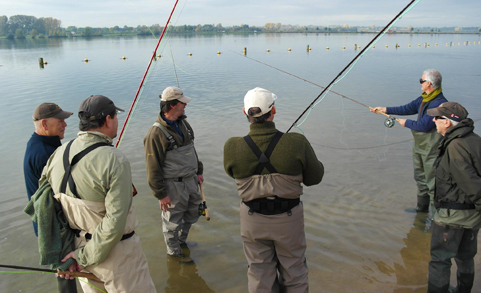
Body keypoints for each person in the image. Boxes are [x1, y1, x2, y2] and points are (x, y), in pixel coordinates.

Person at [39, 95, 156, 292]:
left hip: (77, 251)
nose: (116, 121)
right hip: (119, 258)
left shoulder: (57, 154)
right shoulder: (115, 159)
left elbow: (46, 208)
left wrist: (70, 256)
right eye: (115, 117)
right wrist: (85, 256)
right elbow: (114, 223)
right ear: (108, 120)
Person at [223, 87, 324, 292]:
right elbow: (315, 178)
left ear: (245, 112)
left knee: (259, 272)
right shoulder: (296, 142)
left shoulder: (232, 146)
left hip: (252, 219)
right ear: (274, 110)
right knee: (295, 270)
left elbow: (231, 172)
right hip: (289, 219)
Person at [371, 69, 448, 212]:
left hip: (432, 149)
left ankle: (436, 217)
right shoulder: (424, 98)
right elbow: (408, 108)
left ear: (429, 83)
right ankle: (421, 210)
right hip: (420, 146)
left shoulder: (439, 104)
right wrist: (385, 109)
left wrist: (406, 123)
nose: (420, 83)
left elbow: (425, 125)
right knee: (420, 178)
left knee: (433, 184)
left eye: (421, 81)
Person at [144, 86, 204, 264]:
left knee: (193, 212)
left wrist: (199, 171)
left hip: (191, 180)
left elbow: (192, 150)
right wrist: (161, 194)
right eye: (182, 103)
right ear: (171, 105)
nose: (185, 105)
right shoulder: (155, 134)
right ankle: (174, 252)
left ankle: (181, 241)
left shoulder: (183, 123)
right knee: (172, 222)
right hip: (173, 185)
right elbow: (152, 168)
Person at [425, 102, 481, 293]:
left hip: (452, 217)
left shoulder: (455, 146)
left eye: (437, 118)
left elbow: (471, 183)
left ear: (447, 123)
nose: (433, 120)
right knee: (466, 257)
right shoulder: (474, 139)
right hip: (472, 216)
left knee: (439, 260)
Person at [23, 102, 77, 293]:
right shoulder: (44, 153)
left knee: (67, 275)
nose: (65, 125)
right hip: (54, 229)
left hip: (50, 226)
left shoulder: (41, 143)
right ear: (44, 124)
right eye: (60, 120)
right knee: (66, 274)